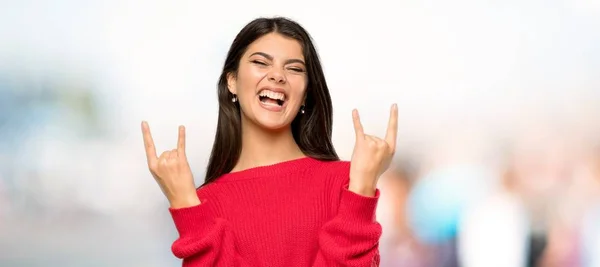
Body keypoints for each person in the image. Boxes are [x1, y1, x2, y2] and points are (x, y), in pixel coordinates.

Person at [141, 16, 398, 267]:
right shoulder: (203, 204)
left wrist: (362, 188)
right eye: (261, 63)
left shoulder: (348, 184)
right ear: (232, 81)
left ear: (306, 93)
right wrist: (185, 204)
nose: (277, 76)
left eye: (294, 68)